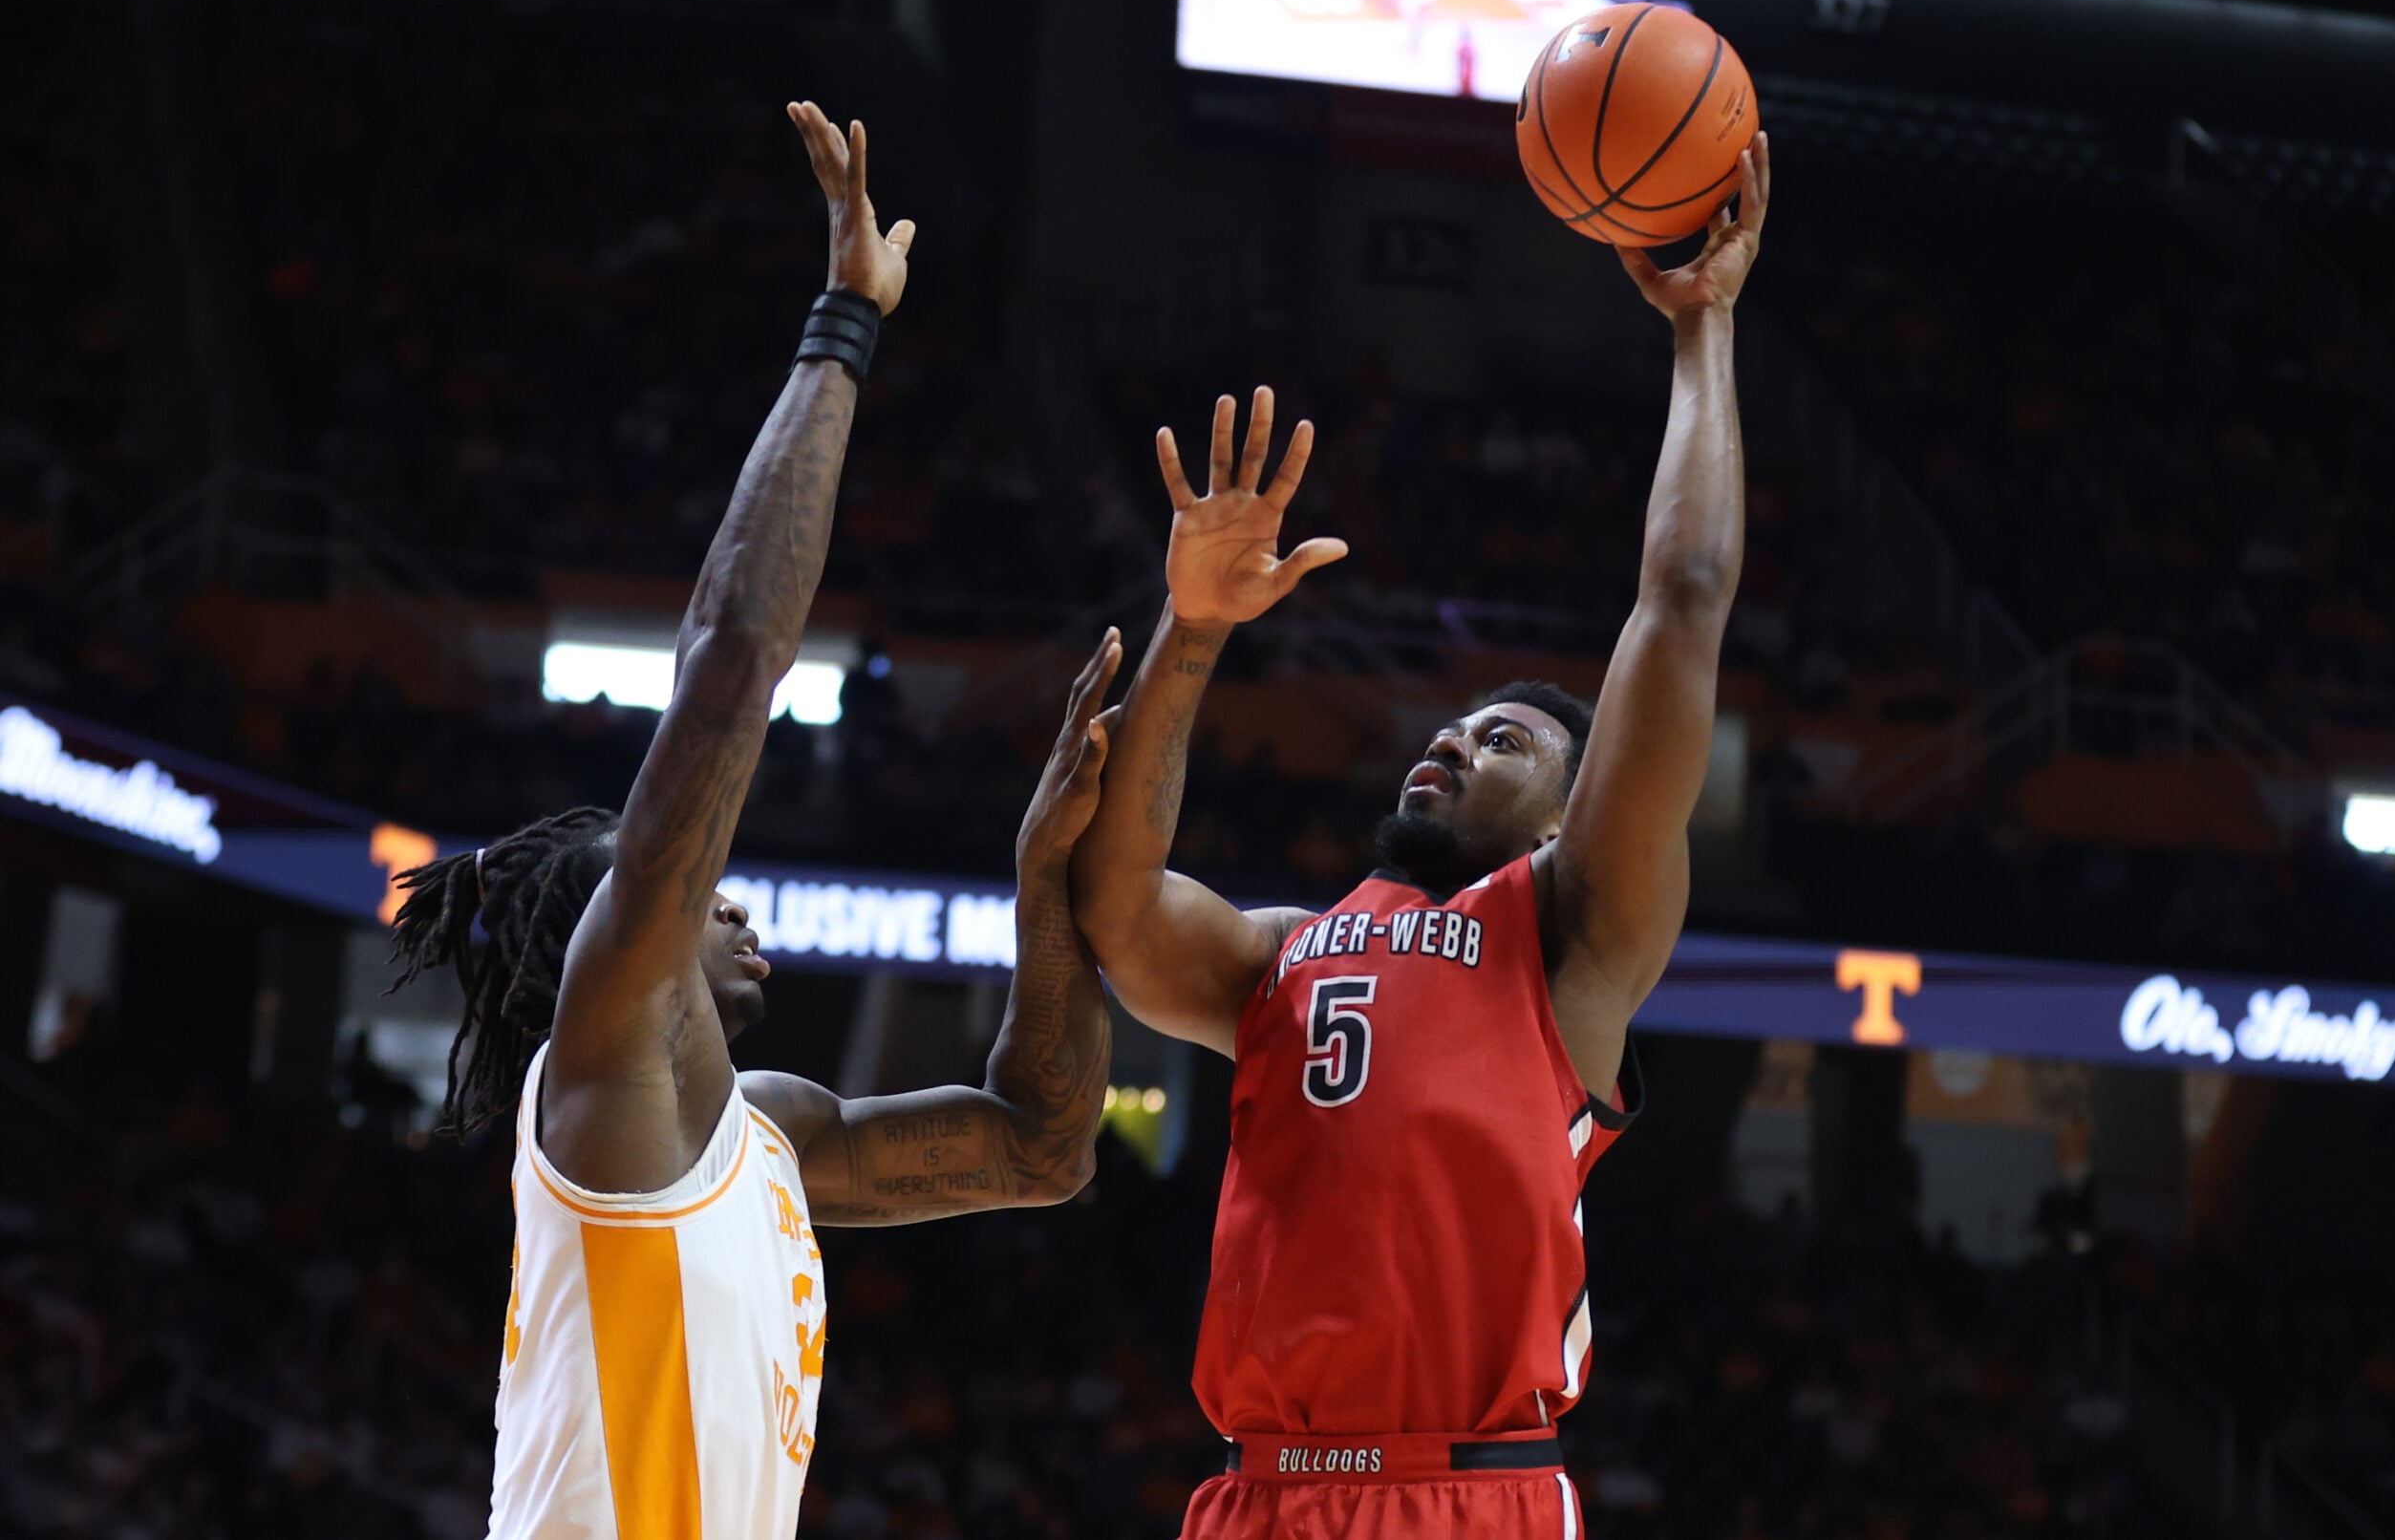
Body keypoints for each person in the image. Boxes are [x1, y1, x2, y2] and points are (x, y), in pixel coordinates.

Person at [383, 102, 1123, 1540]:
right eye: (682, 891)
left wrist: (1044, 879)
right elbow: (731, 661)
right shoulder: (604, 1070)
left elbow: (1046, 1149)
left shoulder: (777, 1136)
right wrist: (844, 322)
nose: (728, 897)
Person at [1073, 134, 1772, 1538]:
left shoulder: (1568, 942)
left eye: (1506, 741)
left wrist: (1703, 330)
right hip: (1258, 1495)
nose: (1453, 742)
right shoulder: (1281, 958)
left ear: (1574, 814)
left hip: (1470, 1494)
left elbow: (1685, 594)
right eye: (1452, 729)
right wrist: (1195, 627)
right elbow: (1115, 905)